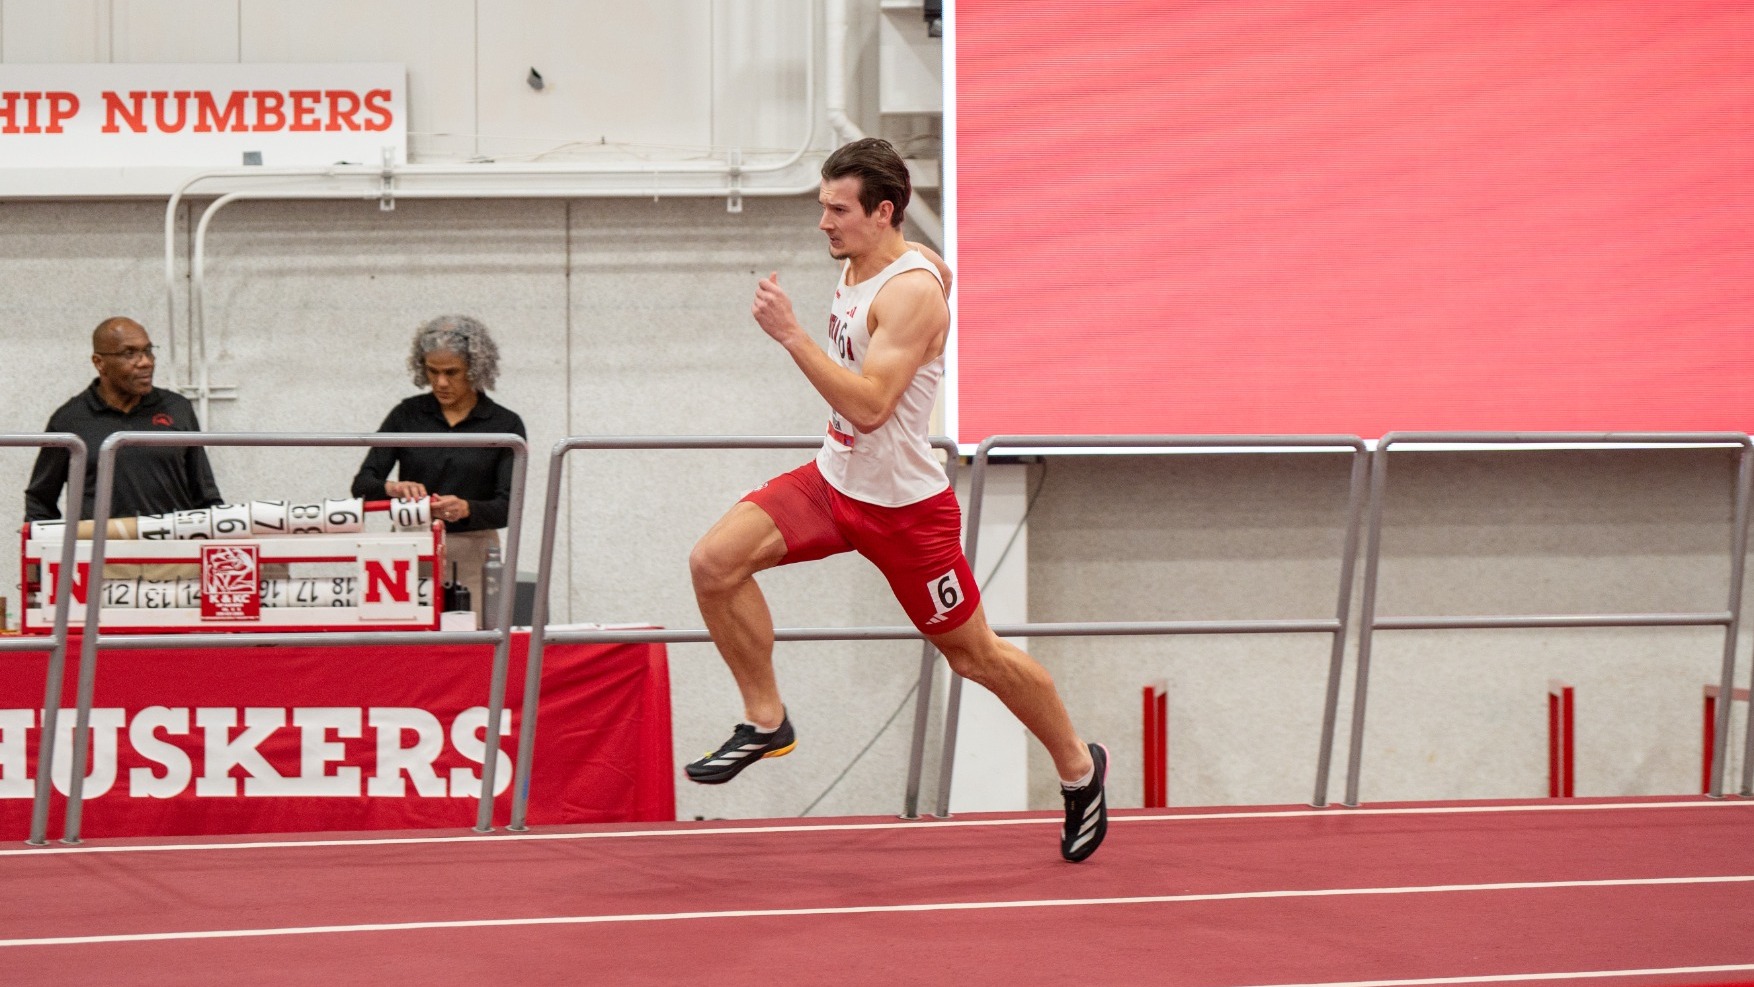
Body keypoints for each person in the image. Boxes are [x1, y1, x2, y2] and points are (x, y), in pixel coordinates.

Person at [685, 138, 1109, 862]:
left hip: (906, 511)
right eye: (822, 206)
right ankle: (767, 717)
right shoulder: (868, 259)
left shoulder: (909, 292)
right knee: (713, 562)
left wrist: (791, 335)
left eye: (837, 209)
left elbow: (875, 403)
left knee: (976, 658)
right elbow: (924, 271)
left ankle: (1079, 767)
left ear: (883, 213)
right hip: (833, 483)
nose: (823, 221)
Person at [352, 315, 526, 621]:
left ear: (476, 369)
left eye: (452, 372)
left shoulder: (505, 425)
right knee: (406, 640)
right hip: (410, 544)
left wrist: (467, 508)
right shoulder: (406, 415)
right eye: (432, 371)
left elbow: (509, 507)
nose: (441, 382)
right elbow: (362, 485)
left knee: (473, 642)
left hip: (474, 552)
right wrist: (392, 488)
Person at [25, 317, 224, 525]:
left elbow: (205, 494)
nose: (145, 362)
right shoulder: (69, 420)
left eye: (148, 351)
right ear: (99, 362)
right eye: (130, 353)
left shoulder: (177, 408)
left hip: (173, 550)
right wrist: (42, 551)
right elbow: (40, 501)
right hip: (102, 553)